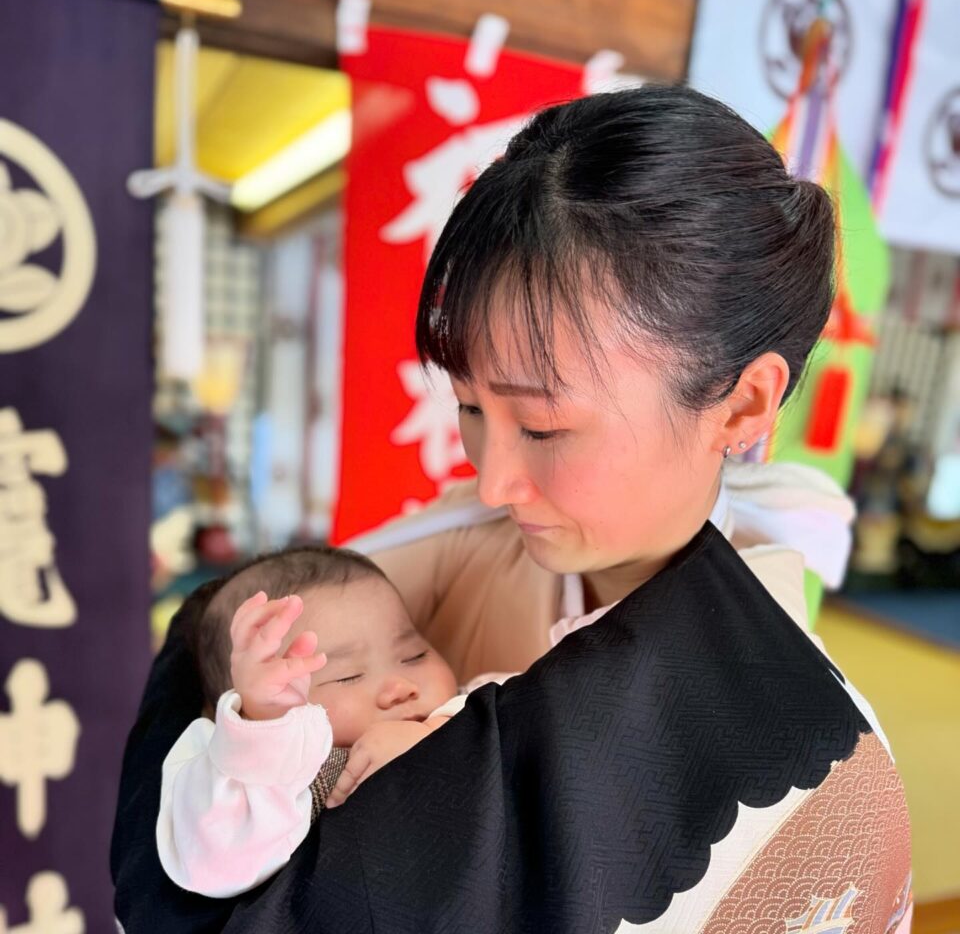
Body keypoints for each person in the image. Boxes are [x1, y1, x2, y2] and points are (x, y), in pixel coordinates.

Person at [112, 85, 912, 934]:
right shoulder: (450, 551)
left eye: (541, 424)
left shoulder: (813, 751)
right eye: (469, 408)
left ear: (744, 407)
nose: (492, 481)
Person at [157, 545, 509, 898]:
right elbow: (213, 864)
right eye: (348, 676)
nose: (400, 688)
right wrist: (265, 733)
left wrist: (443, 734)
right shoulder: (251, 780)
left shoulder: (477, 703)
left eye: (413, 655)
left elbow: (541, 718)